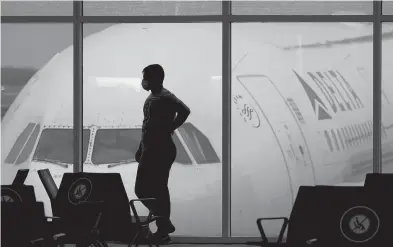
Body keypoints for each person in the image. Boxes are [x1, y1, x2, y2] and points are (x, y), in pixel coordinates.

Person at [134, 64, 190, 243]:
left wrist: (171, 127)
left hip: (160, 149)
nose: (144, 81)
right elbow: (147, 125)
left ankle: (163, 224)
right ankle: (163, 226)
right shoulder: (153, 97)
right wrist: (141, 147)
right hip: (151, 148)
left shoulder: (165, 97)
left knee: (146, 189)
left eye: (146, 77)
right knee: (156, 189)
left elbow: (185, 110)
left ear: (156, 78)